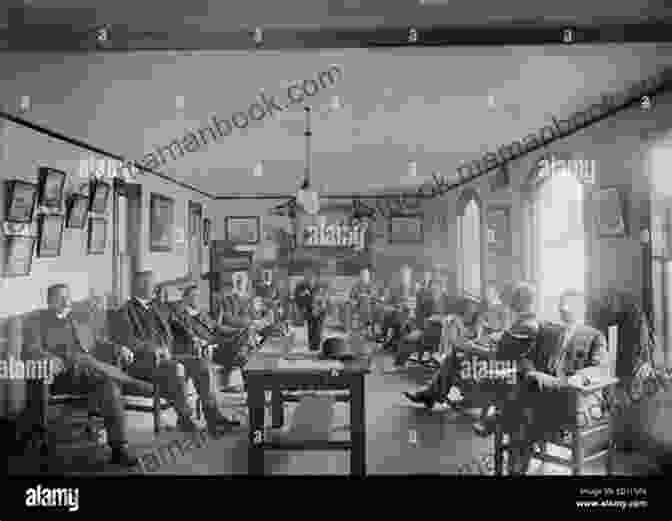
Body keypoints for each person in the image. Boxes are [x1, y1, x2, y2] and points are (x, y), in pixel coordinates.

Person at [24, 283, 146, 466]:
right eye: (60, 298)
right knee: (90, 365)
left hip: (86, 374)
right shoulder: (37, 322)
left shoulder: (77, 320)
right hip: (59, 376)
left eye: (68, 297)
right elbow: (31, 349)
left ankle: (119, 448)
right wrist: (52, 359)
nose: (66, 301)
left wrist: (119, 348)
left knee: (109, 387)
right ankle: (133, 382)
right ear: (50, 301)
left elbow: (96, 343)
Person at [111, 271, 240, 435]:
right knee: (176, 367)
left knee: (201, 364)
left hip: (168, 358)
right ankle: (185, 419)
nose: (156, 288)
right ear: (140, 286)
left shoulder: (159, 307)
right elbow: (127, 340)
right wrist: (154, 349)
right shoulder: (125, 311)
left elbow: (179, 326)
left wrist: (195, 339)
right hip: (144, 362)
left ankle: (213, 416)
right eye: (152, 284)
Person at [505, 289, 609, 475]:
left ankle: (498, 419)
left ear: (580, 308)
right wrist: (531, 371)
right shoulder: (548, 331)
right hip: (542, 393)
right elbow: (526, 357)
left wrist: (580, 377)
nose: (564, 309)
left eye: (568, 305)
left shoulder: (594, 336)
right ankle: (515, 471)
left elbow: (599, 368)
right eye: (561, 304)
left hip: (570, 395)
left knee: (523, 409)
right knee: (525, 407)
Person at [402, 295, 490, 408]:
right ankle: (429, 395)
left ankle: (428, 395)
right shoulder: (454, 320)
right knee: (450, 362)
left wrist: (477, 345)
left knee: (450, 363)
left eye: (474, 306)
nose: (472, 309)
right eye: (469, 306)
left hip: (476, 358)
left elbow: (480, 341)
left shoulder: (478, 322)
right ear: (463, 307)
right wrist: (474, 345)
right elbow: (457, 343)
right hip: (464, 355)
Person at [169, 285, 251, 395]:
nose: (197, 299)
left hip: (218, 344)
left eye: (198, 296)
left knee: (245, 337)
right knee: (243, 353)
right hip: (207, 348)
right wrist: (203, 343)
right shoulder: (182, 315)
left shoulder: (202, 312)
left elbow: (217, 327)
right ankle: (245, 383)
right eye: (194, 296)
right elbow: (187, 334)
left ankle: (246, 384)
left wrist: (237, 331)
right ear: (186, 298)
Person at [392, 264, 449, 368]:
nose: (435, 290)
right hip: (426, 330)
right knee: (407, 339)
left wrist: (441, 319)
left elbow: (450, 317)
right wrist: (420, 327)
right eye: (433, 288)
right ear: (431, 289)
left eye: (438, 288)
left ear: (441, 289)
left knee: (411, 338)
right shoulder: (427, 302)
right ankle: (399, 364)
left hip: (441, 333)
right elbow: (419, 317)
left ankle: (436, 358)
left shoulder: (446, 301)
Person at [294, 267, 329, 351]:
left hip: (320, 310)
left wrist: (322, 305)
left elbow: (326, 297)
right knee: (311, 328)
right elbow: (297, 298)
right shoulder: (301, 286)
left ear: (315, 277)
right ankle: (312, 346)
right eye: (307, 276)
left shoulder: (322, 285)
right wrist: (302, 302)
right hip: (309, 309)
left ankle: (316, 346)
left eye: (311, 276)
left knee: (318, 329)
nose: (309, 278)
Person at [349, 267, 378, 335]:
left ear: (368, 276)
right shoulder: (356, 285)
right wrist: (356, 298)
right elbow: (351, 295)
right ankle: (365, 327)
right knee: (364, 302)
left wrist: (368, 296)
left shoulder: (371, 285)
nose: (364, 276)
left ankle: (366, 327)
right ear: (360, 276)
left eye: (366, 275)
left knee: (366, 302)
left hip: (370, 305)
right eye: (363, 275)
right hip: (358, 304)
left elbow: (374, 295)